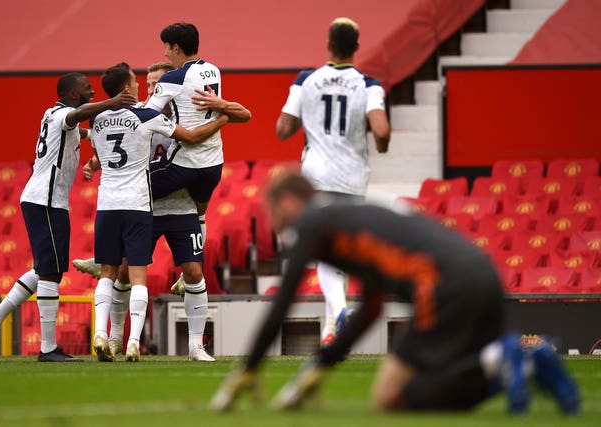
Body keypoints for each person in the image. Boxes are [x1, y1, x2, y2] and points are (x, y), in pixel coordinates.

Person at [210, 172, 581, 415]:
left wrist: (250, 367)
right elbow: (371, 308)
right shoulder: (349, 221)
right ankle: (518, 362)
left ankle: (508, 359)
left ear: (288, 202)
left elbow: (283, 303)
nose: (271, 221)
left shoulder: (312, 221)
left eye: (271, 210)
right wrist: (322, 363)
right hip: (482, 275)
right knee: (451, 381)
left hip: (443, 285)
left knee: (391, 398)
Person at [0, 73, 136, 362]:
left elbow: (87, 131)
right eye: (87, 88)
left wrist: (101, 144)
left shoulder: (56, 116)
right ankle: (47, 348)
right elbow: (78, 117)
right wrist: (113, 101)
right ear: (73, 94)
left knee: (44, 269)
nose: (92, 91)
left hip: (47, 202)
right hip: (45, 201)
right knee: (51, 272)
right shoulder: (64, 114)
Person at [76, 61, 215, 361]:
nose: (151, 89)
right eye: (147, 84)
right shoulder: (143, 114)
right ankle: (116, 339)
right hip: (143, 206)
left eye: (157, 85)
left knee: (192, 271)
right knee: (126, 273)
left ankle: (195, 347)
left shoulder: (187, 114)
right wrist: (96, 161)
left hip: (175, 207)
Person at [275, 17, 391, 346]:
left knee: (323, 250)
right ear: (356, 47)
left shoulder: (306, 80)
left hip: (316, 176)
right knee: (338, 248)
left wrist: (304, 121)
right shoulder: (368, 85)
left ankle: (337, 312)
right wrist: (381, 145)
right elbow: (381, 131)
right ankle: (330, 329)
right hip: (352, 177)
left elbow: (283, 129)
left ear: (328, 45)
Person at [146, 22, 251, 247]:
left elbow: (146, 114)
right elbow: (241, 114)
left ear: (176, 48)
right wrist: (223, 113)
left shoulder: (172, 78)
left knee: (131, 186)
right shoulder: (213, 70)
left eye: (166, 47)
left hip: (185, 163)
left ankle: (108, 261)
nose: (164, 53)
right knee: (200, 215)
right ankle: (190, 276)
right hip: (214, 163)